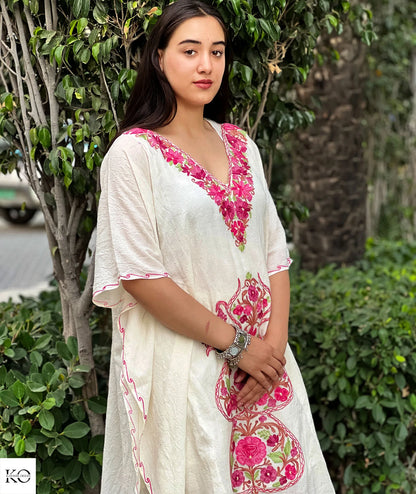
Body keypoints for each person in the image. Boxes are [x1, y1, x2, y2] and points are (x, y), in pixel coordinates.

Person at [93, 1, 335, 493]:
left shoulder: (241, 144)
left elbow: (274, 253)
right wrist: (238, 347)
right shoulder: (132, 155)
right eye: (190, 50)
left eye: (217, 52)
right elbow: (141, 277)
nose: (207, 65)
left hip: (264, 372)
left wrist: (271, 352)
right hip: (187, 368)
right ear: (159, 58)